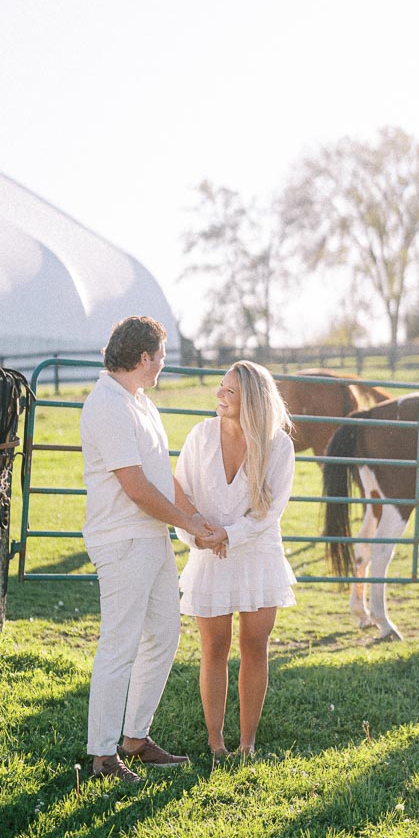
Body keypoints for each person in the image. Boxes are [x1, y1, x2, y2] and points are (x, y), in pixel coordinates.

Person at [80, 315, 222, 783]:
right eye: (160, 356)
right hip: (121, 540)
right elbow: (136, 488)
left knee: (163, 633)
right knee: (119, 643)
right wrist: (188, 525)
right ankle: (102, 755)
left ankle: (135, 739)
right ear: (144, 358)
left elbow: (162, 479)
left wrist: (195, 517)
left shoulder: (139, 402)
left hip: (152, 537)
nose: (162, 365)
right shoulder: (107, 405)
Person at [175, 360, 296, 759]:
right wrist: (200, 535)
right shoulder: (200, 436)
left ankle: (247, 744)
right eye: (221, 388)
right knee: (214, 647)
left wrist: (229, 534)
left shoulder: (279, 445)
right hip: (210, 555)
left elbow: (269, 512)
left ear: (253, 401)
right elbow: (182, 495)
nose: (219, 396)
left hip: (258, 555)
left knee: (254, 646)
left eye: (229, 392)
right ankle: (215, 742)